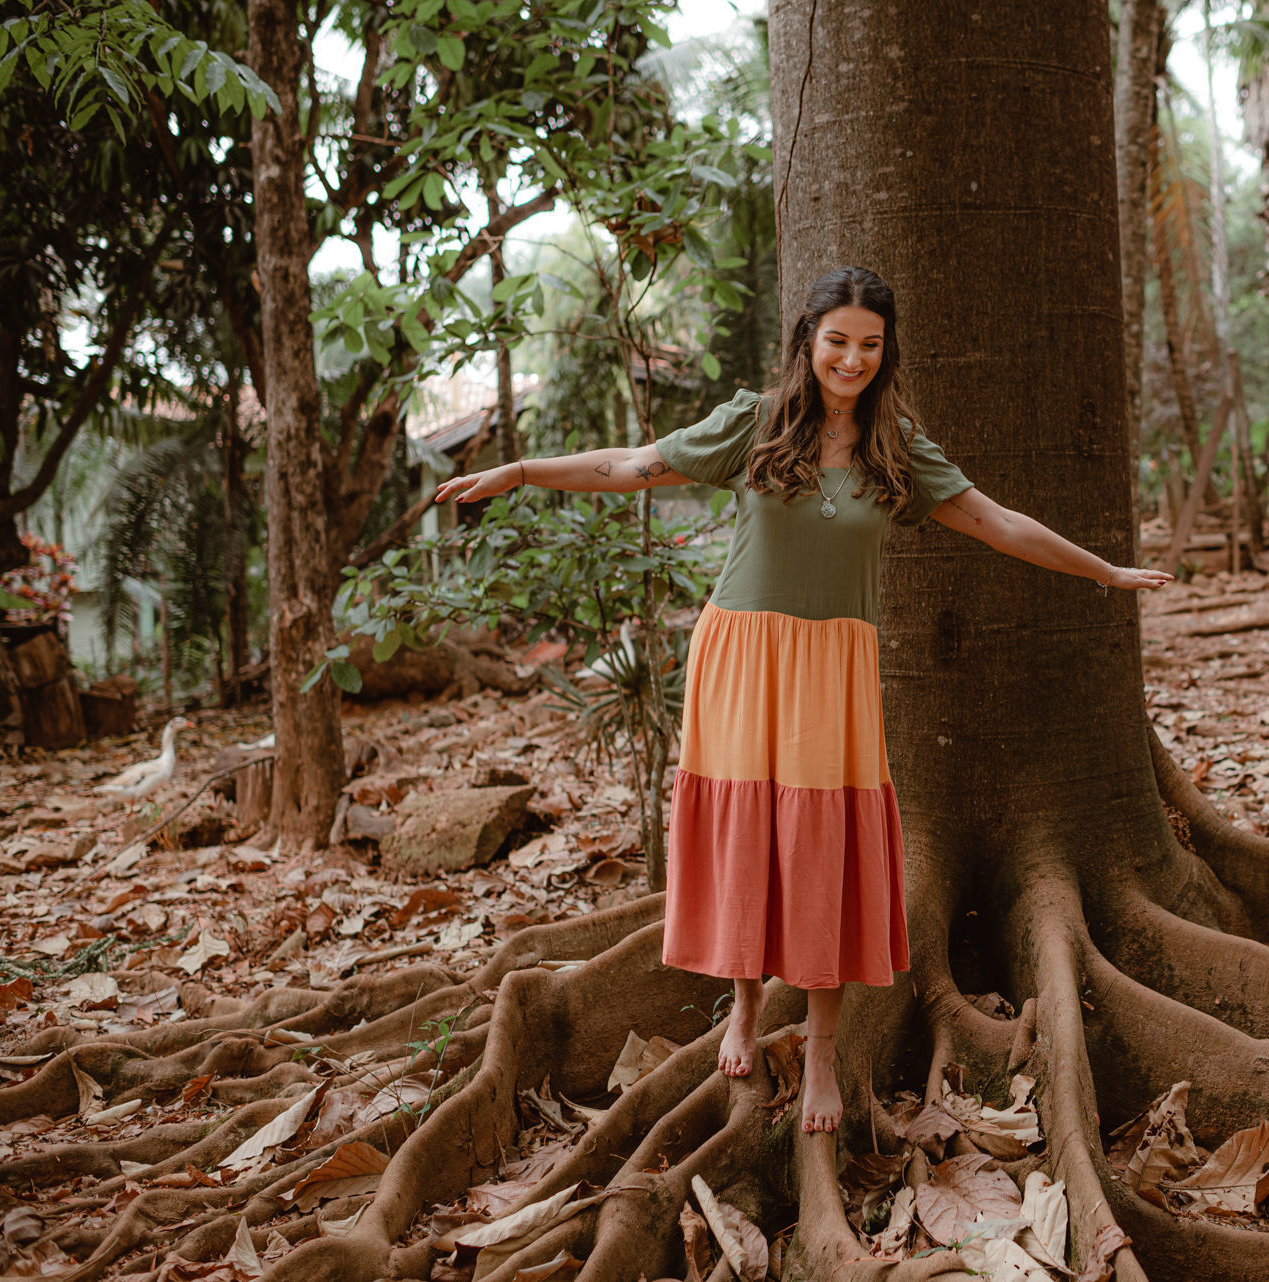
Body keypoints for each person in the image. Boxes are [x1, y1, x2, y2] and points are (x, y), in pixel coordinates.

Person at [437, 265, 1171, 1135]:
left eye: (869, 344)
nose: (851, 359)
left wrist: (1103, 569)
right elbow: (631, 465)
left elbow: (995, 521)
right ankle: (744, 1009)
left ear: (885, 350)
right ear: (807, 342)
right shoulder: (754, 423)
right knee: (750, 836)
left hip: (835, 669)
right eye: (836, 342)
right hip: (740, 655)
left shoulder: (897, 449)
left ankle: (822, 1051)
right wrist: (520, 471)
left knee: (819, 849)